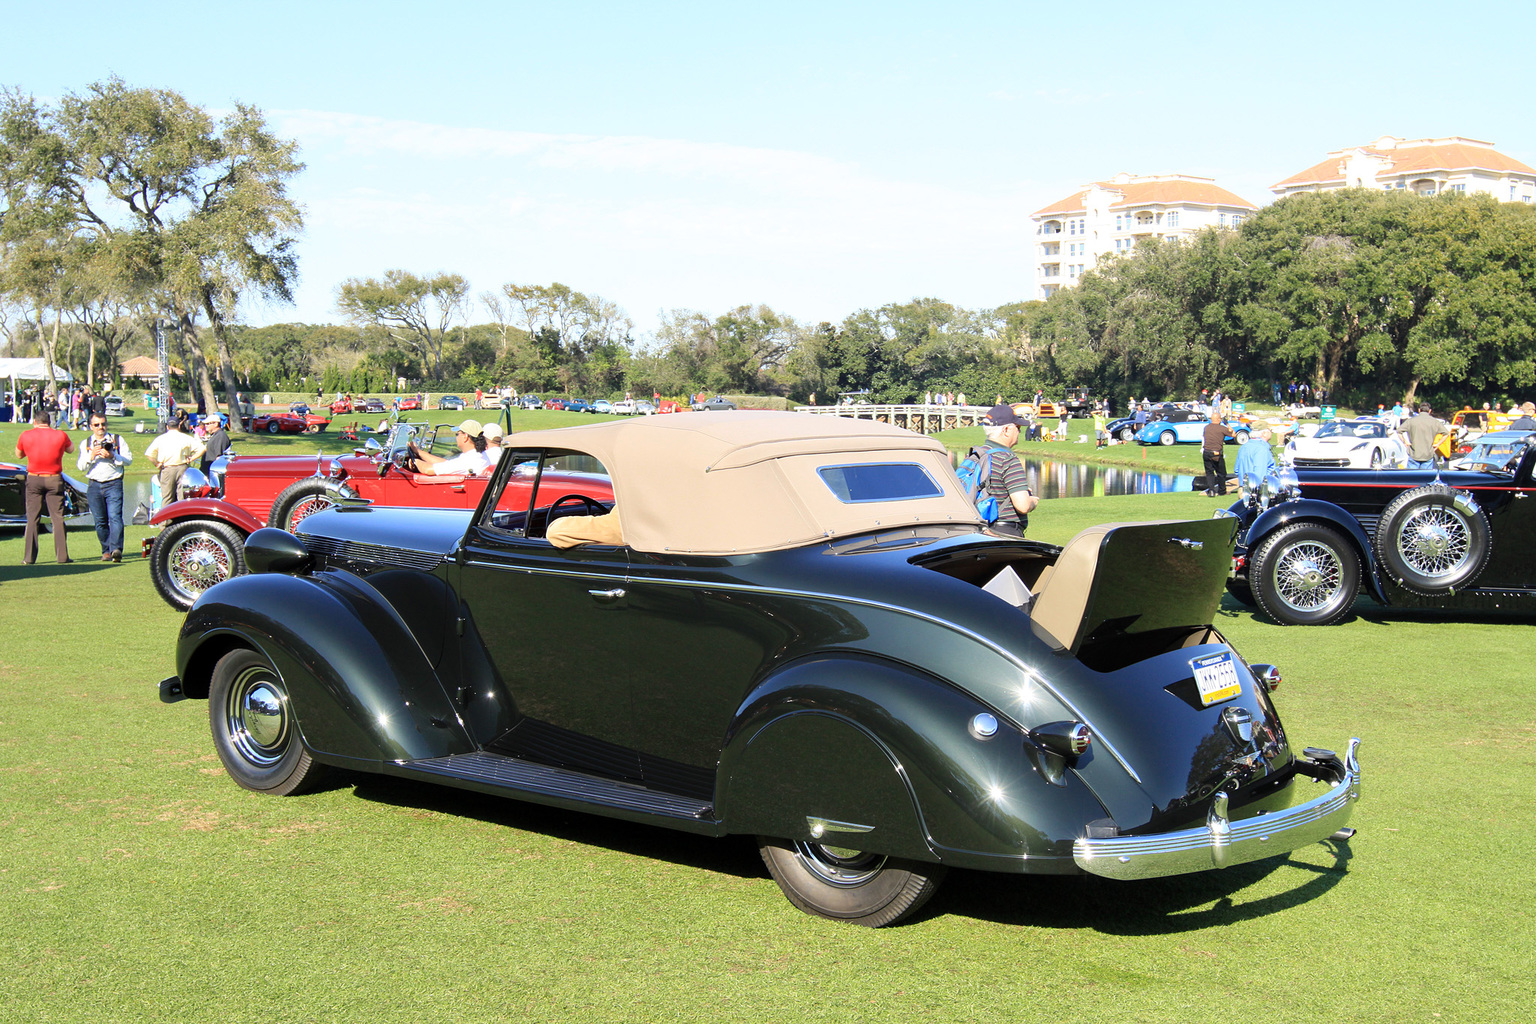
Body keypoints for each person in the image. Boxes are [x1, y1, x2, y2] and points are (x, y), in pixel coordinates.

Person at [14, 406, 75, 564]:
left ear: (35, 422)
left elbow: (18, 455)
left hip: (34, 478)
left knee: (32, 518)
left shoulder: (26, 435)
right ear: (49, 422)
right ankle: (62, 557)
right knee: (57, 518)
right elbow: (71, 449)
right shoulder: (60, 434)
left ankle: (29, 558)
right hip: (54, 478)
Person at [78, 412, 133, 561]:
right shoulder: (86, 443)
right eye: (96, 425)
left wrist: (112, 456)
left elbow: (128, 460)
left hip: (113, 483)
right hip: (94, 485)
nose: (100, 427)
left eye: (103, 424)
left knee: (115, 517)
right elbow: (80, 466)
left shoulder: (117, 440)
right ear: (91, 427)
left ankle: (116, 549)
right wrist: (92, 456)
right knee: (100, 521)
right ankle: (106, 549)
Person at [979, 404, 1039, 537]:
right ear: (1006, 430)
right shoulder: (1007, 459)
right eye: (1017, 428)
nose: (1019, 432)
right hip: (1004, 532)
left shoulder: (977, 455)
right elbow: (1023, 506)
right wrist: (1033, 501)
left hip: (978, 532)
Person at [145, 413, 205, 509]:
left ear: (167, 427)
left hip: (167, 469)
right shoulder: (186, 438)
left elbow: (149, 454)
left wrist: (157, 464)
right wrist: (191, 458)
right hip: (183, 468)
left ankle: (165, 522)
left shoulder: (161, 439)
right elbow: (202, 449)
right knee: (182, 498)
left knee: (167, 498)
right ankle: (182, 521)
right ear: (179, 425)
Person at [407, 419, 491, 476]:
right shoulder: (479, 455)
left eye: (457, 434)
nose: (456, 437)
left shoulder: (468, 460)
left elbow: (427, 470)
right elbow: (446, 463)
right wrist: (418, 451)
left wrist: (413, 461)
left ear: (465, 436)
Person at [1398, 403, 1447, 469]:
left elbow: (1399, 431)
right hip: (1428, 454)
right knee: (1426, 477)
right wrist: (1438, 444)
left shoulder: (1411, 421)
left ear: (1419, 410)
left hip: (1414, 453)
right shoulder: (1435, 422)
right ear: (1430, 411)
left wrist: (1405, 442)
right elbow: (1446, 433)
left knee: (1412, 477)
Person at [1201, 413, 1236, 496]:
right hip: (1216, 453)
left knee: (1209, 473)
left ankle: (1211, 491)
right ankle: (1222, 491)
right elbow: (1233, 434)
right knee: (1221, 473)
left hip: (1206, 452)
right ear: (1219, 419)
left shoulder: (1207, 428)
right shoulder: (1222, 428)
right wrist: (1227, 424)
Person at [1233, 428, 1276, 493]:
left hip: (1243, 487)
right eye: (1270, 431)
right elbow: (1260, 473)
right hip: (1257, 489)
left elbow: (1237, 470)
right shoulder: (1262, 449)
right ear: (1264, 433)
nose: (1271, 433)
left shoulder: (1243, 447)